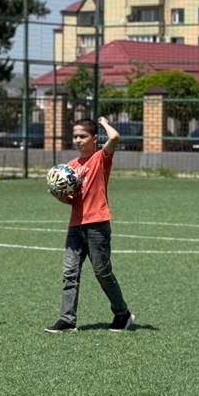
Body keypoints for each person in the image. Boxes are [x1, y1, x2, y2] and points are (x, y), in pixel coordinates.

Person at [45, 116, 135, 333]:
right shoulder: (70, 167)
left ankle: (122, 313)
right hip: (75, 226)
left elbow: (115, 137)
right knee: (70, 273)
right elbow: (72, 200)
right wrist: (59, 196)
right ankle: (67, 320)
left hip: (97, 224)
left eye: (83, 136)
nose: (78, 140)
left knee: (102, 272)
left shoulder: (100, 158)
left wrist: (103, 123)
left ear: (94, 138)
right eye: (75, 136)